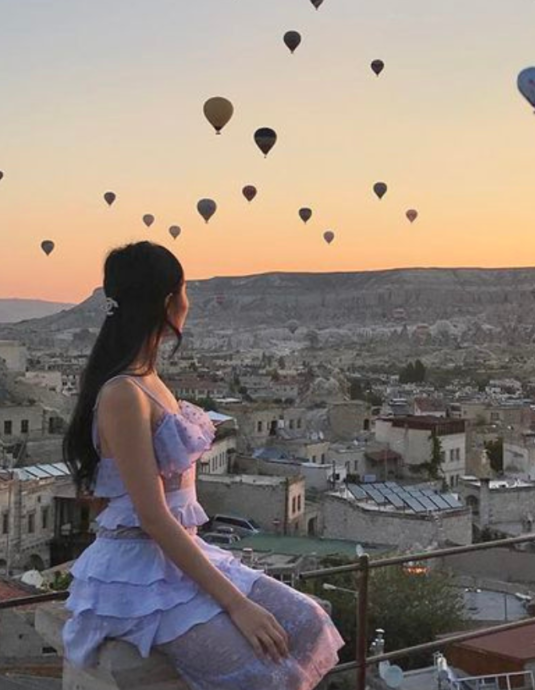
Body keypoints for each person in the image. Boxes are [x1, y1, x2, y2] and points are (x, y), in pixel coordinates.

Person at [61, 242, 344, 689]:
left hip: (182, 557)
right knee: (259, 672)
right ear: (168, 301)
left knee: (307, 621)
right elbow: (153, 516)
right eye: (185, 289)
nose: (189, 301)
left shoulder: (148, 381)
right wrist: (237, 605)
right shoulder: (123, 394)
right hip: (137, 573)